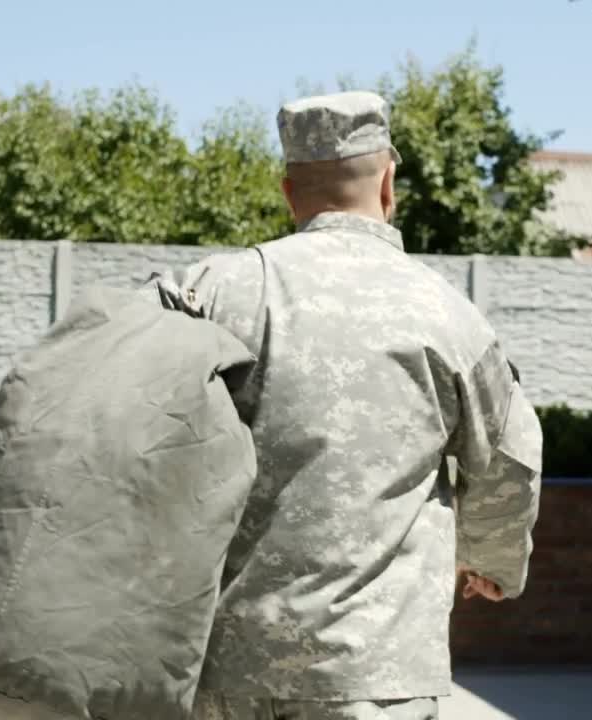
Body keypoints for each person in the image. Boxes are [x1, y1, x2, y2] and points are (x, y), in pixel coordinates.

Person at [142, 90, 542, 720]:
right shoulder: (446, 312)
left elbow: (131, 426)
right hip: (374, 672)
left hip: (223, 665)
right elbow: (510, 456)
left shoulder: (213, 289)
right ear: (388, 184)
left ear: (287, 192)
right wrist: (491, 560)